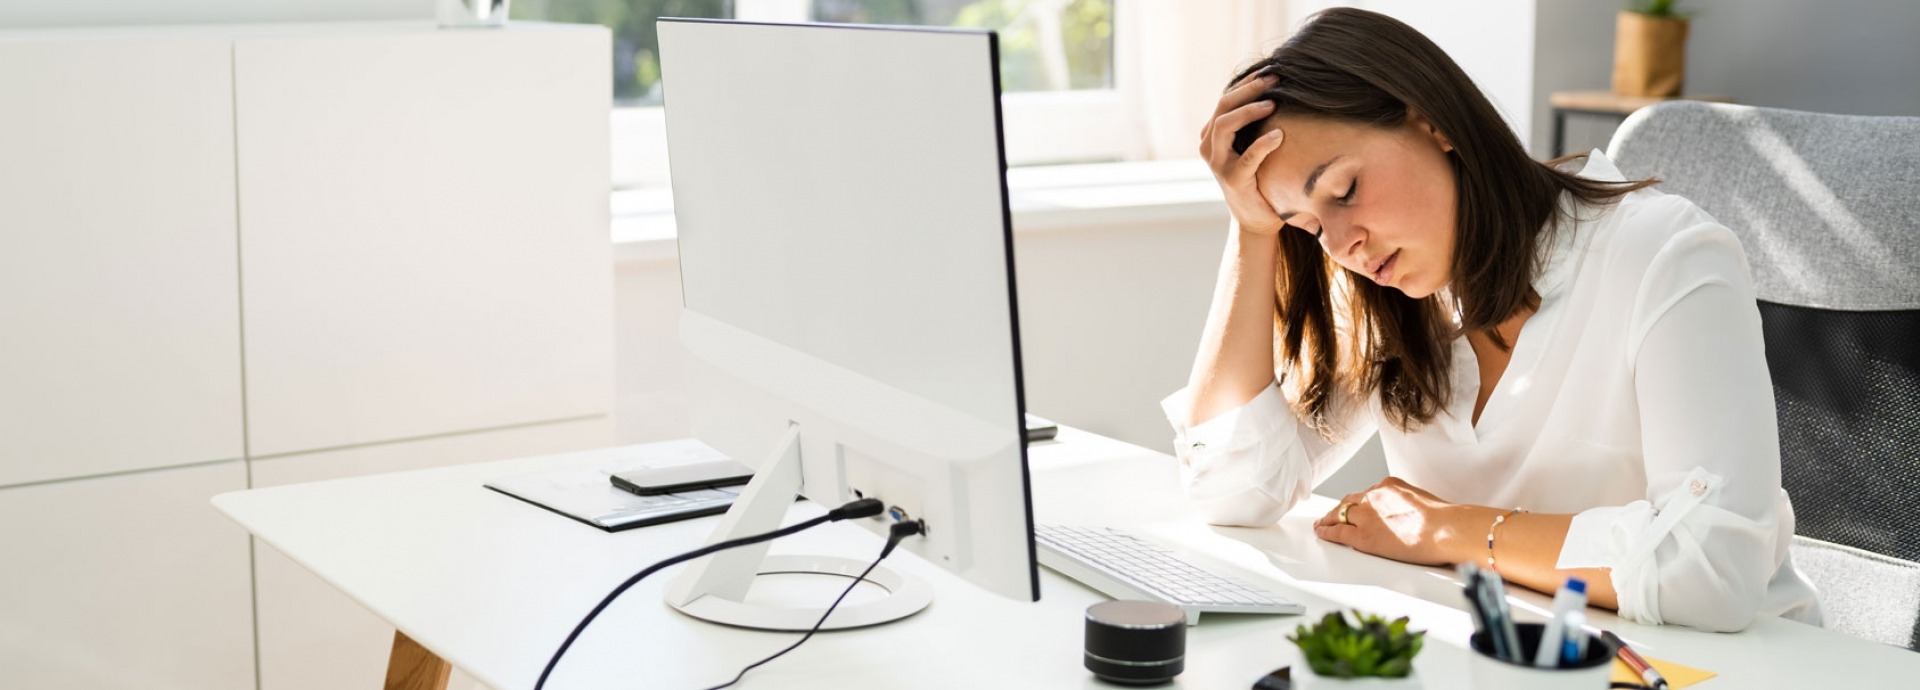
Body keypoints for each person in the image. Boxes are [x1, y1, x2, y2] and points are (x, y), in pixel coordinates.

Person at [1164, 7, 1821, 632]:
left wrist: (1451, 529)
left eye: (1344, 191)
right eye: (1306, 227)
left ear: (1434, 124)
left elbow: (1713, 570)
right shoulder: (1389, 293)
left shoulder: (1664, 255)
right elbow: (1233, 490)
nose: (1340, 245)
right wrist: (1252, 232)